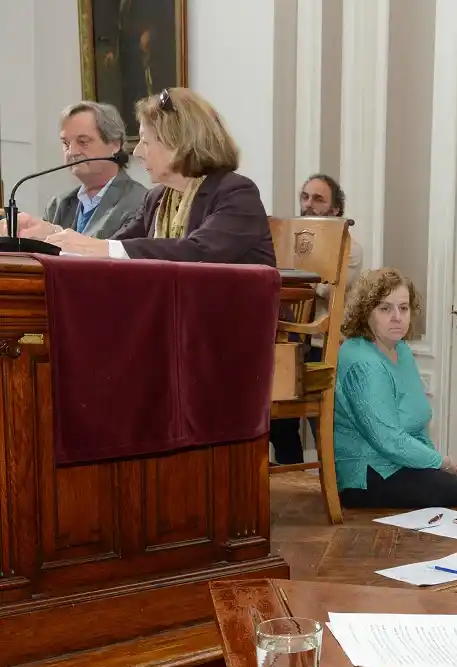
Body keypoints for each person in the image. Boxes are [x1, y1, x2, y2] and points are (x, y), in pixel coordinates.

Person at [39, 88, 274, 266]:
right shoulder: (157, 198)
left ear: (178, 143)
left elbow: (200, 252)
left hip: (235, 319)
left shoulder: (236, 193)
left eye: (146, 141)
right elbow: (113, 245)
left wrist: (103, 248)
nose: (138, 152)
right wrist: (50, 237)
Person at [333, 268, 457, 512]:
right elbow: (387, 439)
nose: (397, 317)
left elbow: (416, 423)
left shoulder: (401, 350)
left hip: (396, 463)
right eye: (385, 309)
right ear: (366, 313)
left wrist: (433, 463)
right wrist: (440, 463)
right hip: (366, 474)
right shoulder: (362, 361)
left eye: (403, 308)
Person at [270, 173, 366, 466]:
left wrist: (290, 277)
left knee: (325, 428)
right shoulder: (286, 243)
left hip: (322, 346)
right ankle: (291, 482)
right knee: (279, 426)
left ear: (335, 209)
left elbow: (322, 286)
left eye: (319, 199)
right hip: (286, 340)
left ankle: (338, 490)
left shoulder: (350, 248)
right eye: (305, 197)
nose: (309, 204)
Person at [6, 102, 147, 241]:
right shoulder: (58, 204)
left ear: (115, 145)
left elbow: (116, 257)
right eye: (65, 144)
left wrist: (55, 233)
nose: (72, 152)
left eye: (83, 142)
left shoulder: (140, 202)